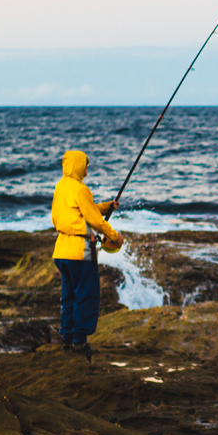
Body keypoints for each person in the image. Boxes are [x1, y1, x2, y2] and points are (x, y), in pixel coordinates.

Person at [51, 150, 124, 360]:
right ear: (79, 165)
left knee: (69, 296)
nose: (87, 171)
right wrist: (115, 236)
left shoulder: (61, 186)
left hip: (61, 251)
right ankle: (80, 342)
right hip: (80, 253)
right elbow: (95, 221)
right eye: (86, 166)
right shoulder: (80, 189)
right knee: (87, 296)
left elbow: (81, 211)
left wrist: (105, 207)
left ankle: (66, 337)